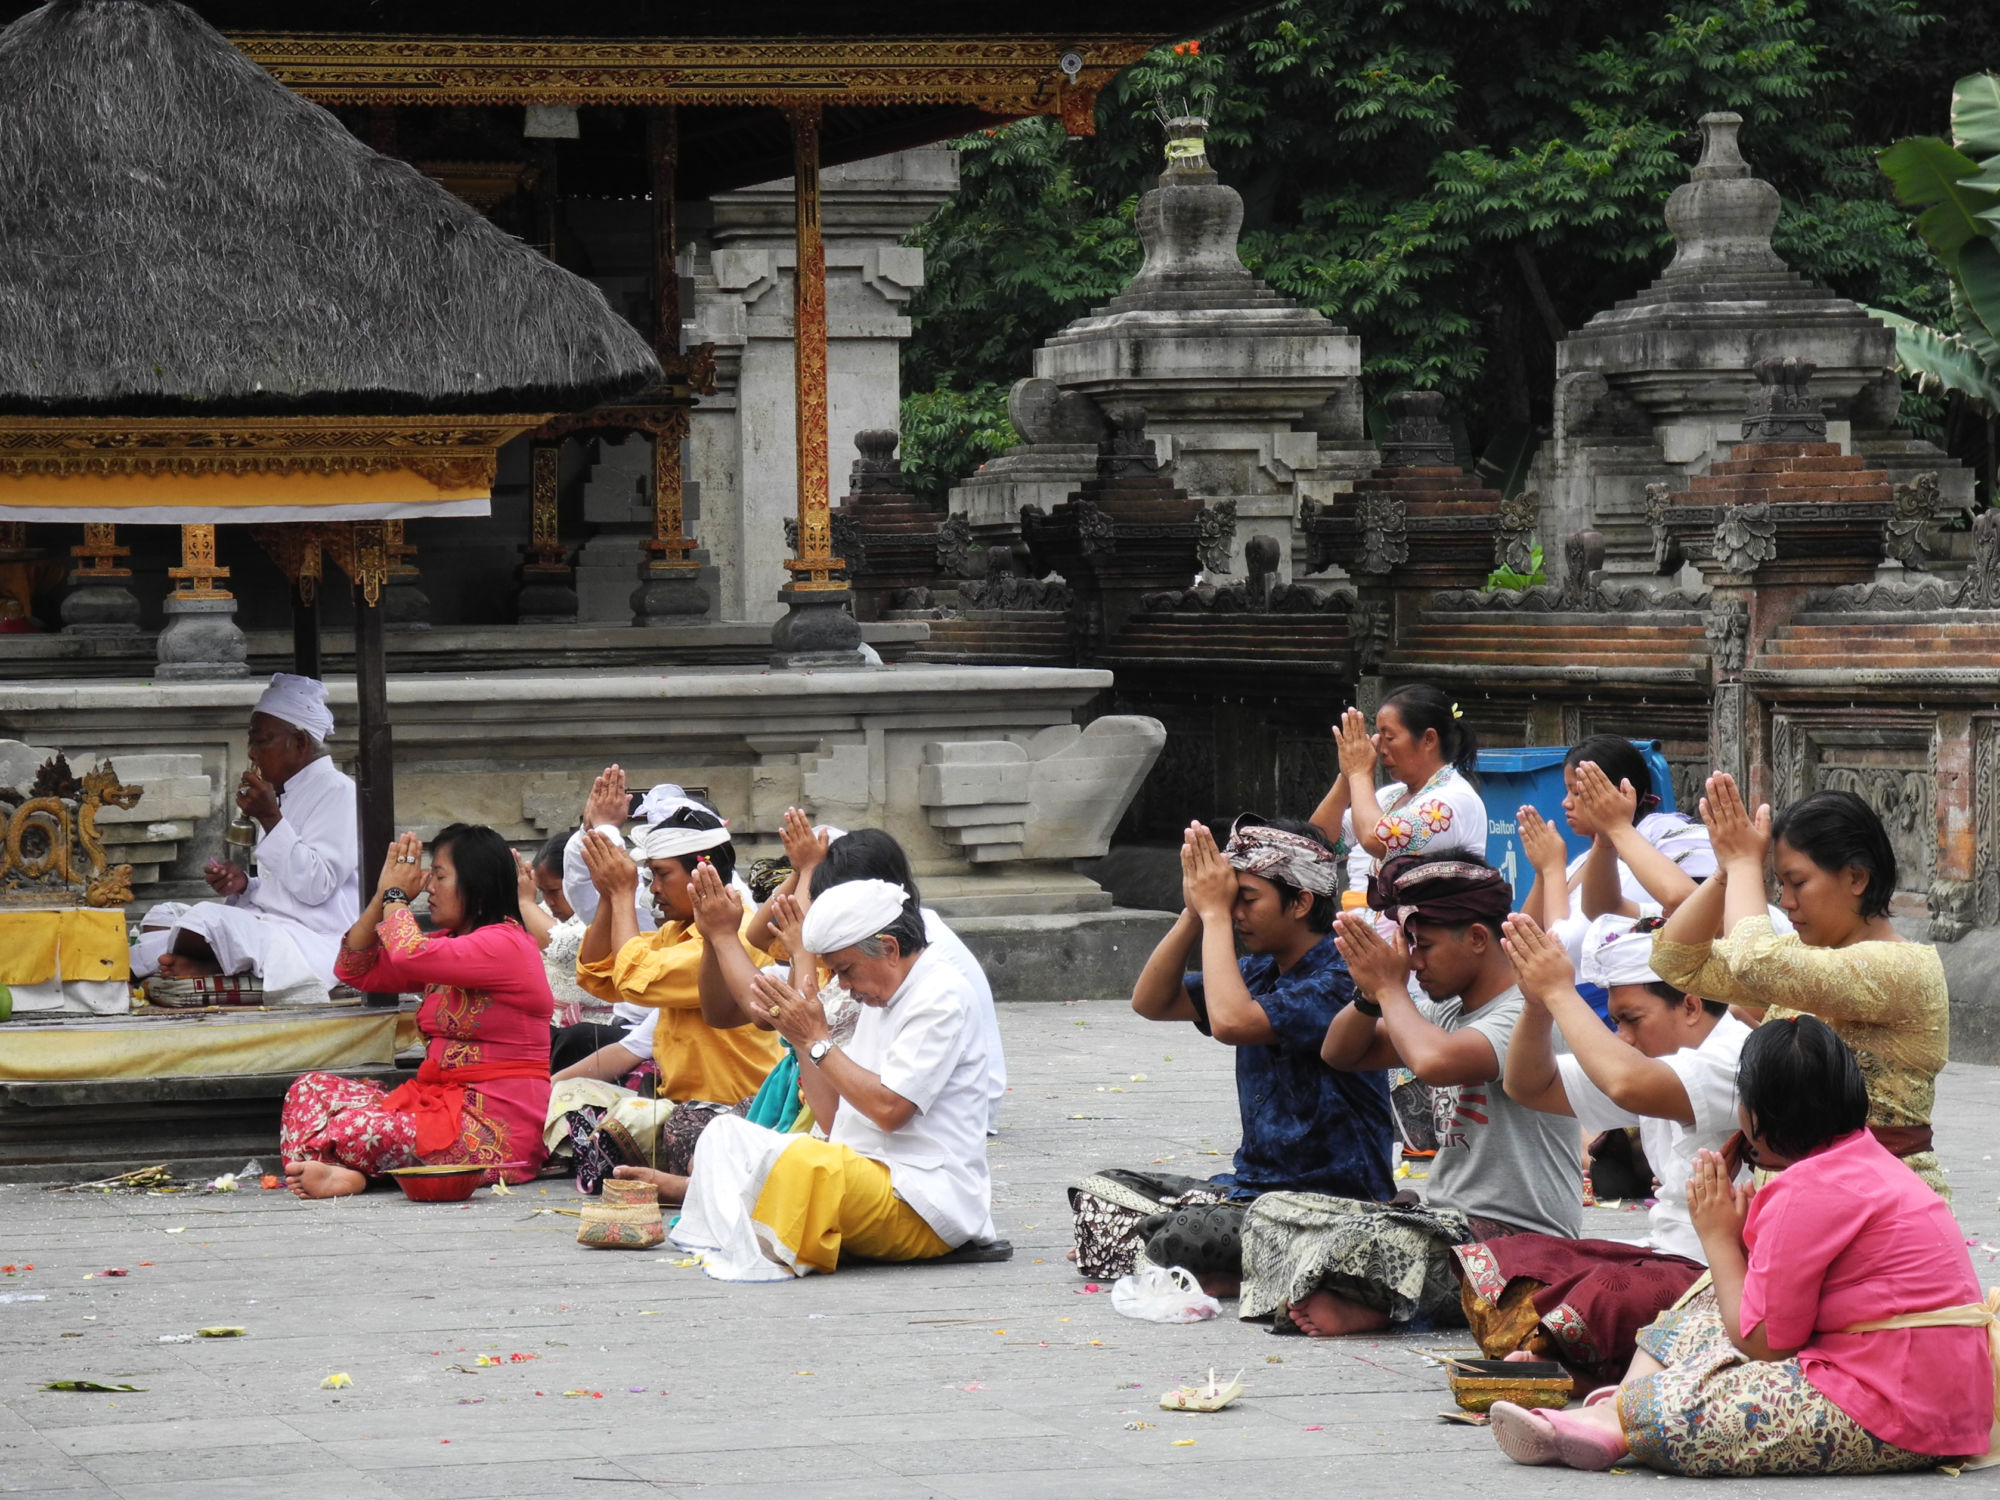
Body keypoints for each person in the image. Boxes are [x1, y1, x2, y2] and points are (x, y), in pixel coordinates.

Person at [1489, 1016, 1997, 1475]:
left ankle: (1623, 1417)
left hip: (1898, 1411)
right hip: (1927, 1395)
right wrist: (1736, 1239)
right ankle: (1618, 1409)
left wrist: (1716, 1237)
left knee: (1683, 1413)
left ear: (1758, 1114)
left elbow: (1766, 1344)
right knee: (1700, 1313)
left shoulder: (1806, 1190)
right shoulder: (1861, 1157)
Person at [1239, 855, 1581, 1337]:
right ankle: (1355, 1292)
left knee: (1368, 1241)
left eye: (1425, 946)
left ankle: (1376, 1305)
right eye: (1411, 946)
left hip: (1525, 1246)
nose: (1414, 962)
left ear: (1477, 939)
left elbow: (1433, 1062)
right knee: (1269, 1212)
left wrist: (1390, 987)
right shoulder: (1448, 1012)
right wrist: (1368, 996)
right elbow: (1341, 1053)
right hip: (1445, 1225)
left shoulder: (1526, 1012)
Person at [1072, 816, 1395, 1290]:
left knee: (1186, 1233)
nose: (1235, 913)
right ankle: (1179, 1254)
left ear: (1301, 902)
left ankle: (1180, 1256)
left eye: (1247, 899)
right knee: (1101, 1191)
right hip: (1249, 1192)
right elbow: (1152, 1002)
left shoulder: (1339, 976)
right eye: (1229, 901)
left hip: (1326, 1203)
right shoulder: (1260, 969)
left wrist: (1214, 917)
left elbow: (1231, 1023)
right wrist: (1194, 911)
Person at [1454, 912, 1750, 1382]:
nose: (1622, 1038)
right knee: (1516, 1261)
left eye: (1631, 1020)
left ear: (1691, 1006)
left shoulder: (1737, 1056)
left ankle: (1565, 1354)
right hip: (1662, 1254)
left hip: (1717, 1270)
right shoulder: (1648, 1060)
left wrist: (1561, 993)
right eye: (1615, 1022)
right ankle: (1560, 1348)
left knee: (1606, 1296)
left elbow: (1626, 1083)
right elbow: (1529, 1085)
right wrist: (1537, 1007)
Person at [667, 878, 997, 1279]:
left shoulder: (941, 995)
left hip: (923, 1199)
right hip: (860, 1173)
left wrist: (818, 1041)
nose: (844, 986)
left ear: (889, 949)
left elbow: (890, 1110)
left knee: (802, 1162)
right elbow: (830, 1117)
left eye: (845, 970)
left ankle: (756, 1234)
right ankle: (746, 1232)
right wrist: (800, 1038)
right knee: (724, 1135)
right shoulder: (881, 993)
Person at [1651, 774, 1949, 1197]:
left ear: (1856, 878)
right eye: (1780, 885)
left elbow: (1754, 962)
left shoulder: (1904, 968)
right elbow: (1676, 962)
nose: (1786, 902)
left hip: (1878, 1202)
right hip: (1792, 1199)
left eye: (1799, 883)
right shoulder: (1800, 958)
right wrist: (1725, 872)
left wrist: (1744, 866)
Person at [280, 825, 555, 1198]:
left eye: (440, 876)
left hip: (490, 1127)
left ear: (476, 884)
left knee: (355, 1129)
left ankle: (350, 1172)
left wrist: (396, 895)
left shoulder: (505, 944)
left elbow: (408, 953)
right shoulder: (450, 944)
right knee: (309, 1089)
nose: (429, 888)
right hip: (437, 1106)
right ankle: (347, 1170)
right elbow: (353, 968)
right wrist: (381, 897)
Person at [131, 674, 359, 1003]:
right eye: (251, 741)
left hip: (313, 937)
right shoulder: (283, 792)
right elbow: (279, 889)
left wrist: (270, 818)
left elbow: (316, 886)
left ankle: (210, 966)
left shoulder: (338, 792)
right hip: (269, 924)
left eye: (262, 741)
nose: (252, 753)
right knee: (161, 917)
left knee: (205, 921)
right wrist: (244, 885)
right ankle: (208, 962)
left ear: (299, 743)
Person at [569, 802, 782, 1107]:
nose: (653, 888)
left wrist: (622, 894)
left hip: (735, 1108)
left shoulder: (734, 935)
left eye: (662, 874)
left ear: (702, 874)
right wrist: (608, 894)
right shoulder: (676, 931)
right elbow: (598, 975)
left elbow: (632, 978)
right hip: (686, 1106)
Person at [1309, 682, 1487, 910]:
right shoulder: (1388, 796)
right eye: (1379, 738)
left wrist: (1359, 773)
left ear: (1428, 739)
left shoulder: (1453, 801)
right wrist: (1347, 776)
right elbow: (1316, 845)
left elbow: (1377, 840)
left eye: (1390, 738)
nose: (1381, 749)